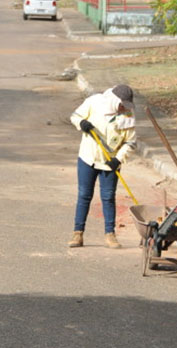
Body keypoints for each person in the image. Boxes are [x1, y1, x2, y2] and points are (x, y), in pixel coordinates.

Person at [68, 85, 137, 249]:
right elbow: (75, 116)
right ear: (115, 101)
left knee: (108, 197)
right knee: (84, 195)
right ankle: (78, 233)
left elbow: (130, 142)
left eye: (126, 105)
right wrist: (82, 123)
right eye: (122, 104)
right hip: (88, 157)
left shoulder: (127, 115)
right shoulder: (94, 102)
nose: (124, 108)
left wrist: (118, 159)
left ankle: (110, 234)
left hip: (110, 162)